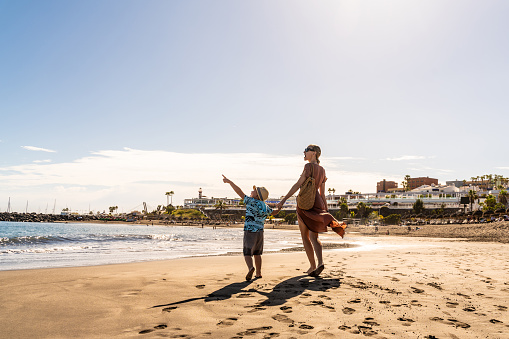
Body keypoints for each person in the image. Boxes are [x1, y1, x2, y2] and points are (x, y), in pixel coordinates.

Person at [274, 144, 346, 277]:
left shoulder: (308, 167)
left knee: (305, 237)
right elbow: (322, 193)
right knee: (314, 237)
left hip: (305, 203)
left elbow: (297, 184)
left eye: (306, 151)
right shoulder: (323, 170)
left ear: (314, 153)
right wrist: (325, 211)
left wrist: (283, 201)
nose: (304, 152)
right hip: (317, 203)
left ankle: (313, 266)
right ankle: (320, 263)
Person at [222, 175, 277, 281]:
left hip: (250, 231)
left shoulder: (251, 201)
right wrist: (280, 206)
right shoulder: (265, 206)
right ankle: (258, 273)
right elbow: (274, 212)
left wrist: (229, 182)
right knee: (257, 253)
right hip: (260, 232)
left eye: (254, 191)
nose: (251, 192)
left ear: (257, 195)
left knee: (247, 253)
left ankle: (251, 268)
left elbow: (239, 191)